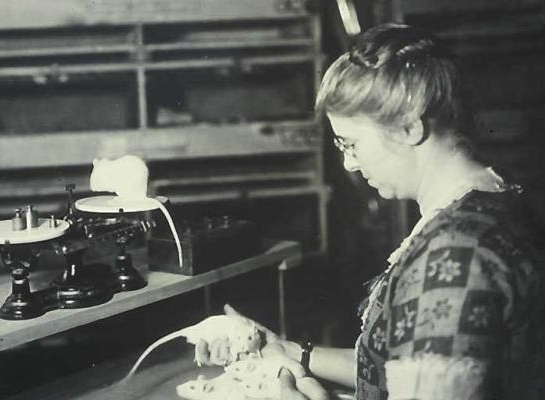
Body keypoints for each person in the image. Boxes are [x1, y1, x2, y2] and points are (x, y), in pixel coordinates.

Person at [198, 24, 545, 400]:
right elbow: (402, 369)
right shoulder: (491, 200)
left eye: (351, 144)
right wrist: (288, 350)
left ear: (409, 128)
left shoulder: (453, 255)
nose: (348, 164)